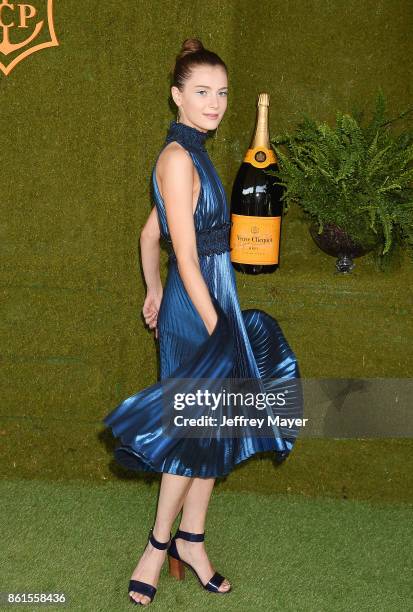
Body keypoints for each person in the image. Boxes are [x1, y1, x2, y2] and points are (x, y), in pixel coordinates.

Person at [103, 38, 303, 606]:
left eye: (221, 93)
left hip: (213, 299)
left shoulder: (192, 153)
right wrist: (214, 324)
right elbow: (186, 257)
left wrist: (152, 286)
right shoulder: (174, 158)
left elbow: (150, 234)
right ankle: (157, 543)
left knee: (214, 426)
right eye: (201, 92)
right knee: (193, 432)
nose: (214, 103)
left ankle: (192, 540)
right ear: (177, 96)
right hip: (201, 311)